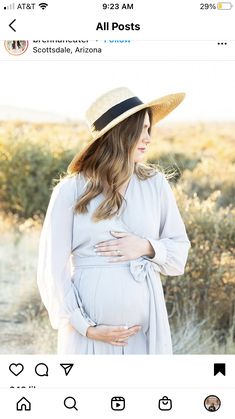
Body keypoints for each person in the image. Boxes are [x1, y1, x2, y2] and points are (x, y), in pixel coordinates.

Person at [37, 87, 191, 354]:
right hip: (88, 336)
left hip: (145, 335)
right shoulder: (71, 190)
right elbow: (52, 270)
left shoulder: (155, 185)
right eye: (139, 130)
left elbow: (179, 254)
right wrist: (86, 327)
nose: (147, 138)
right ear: (119, 133)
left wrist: (146, 247)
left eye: (148, 129)